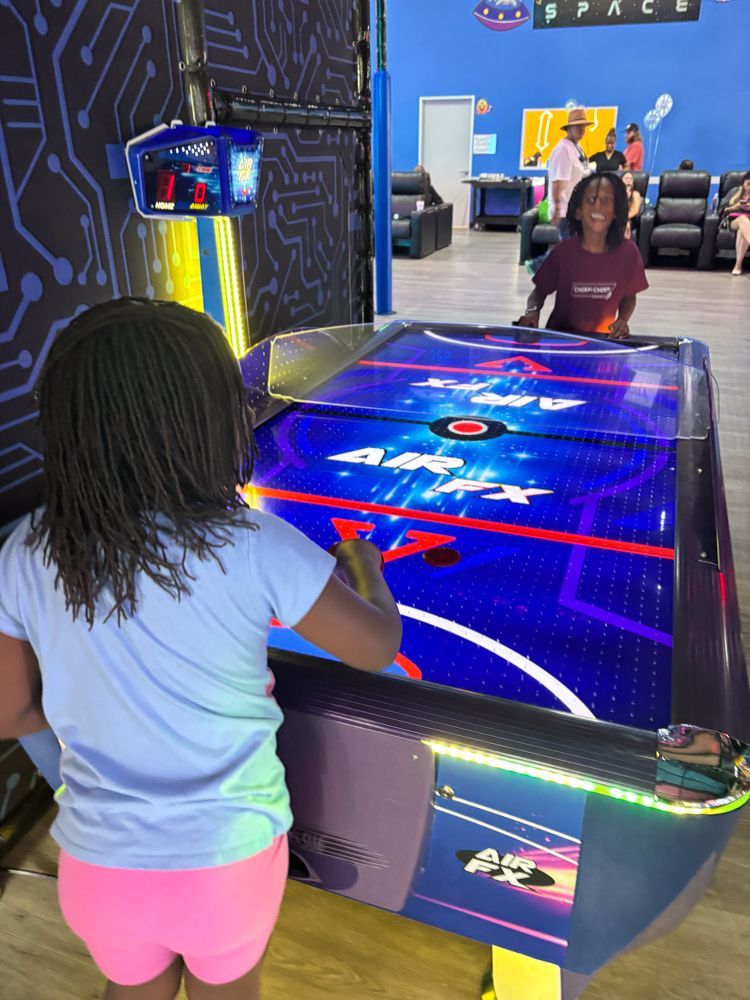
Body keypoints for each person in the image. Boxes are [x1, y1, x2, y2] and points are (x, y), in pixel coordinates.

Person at [0, 298, 402, 1000]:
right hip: (226, 865)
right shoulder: (253, 544)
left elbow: (11, 713)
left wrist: (94, 710)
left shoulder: (26, 549)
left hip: (99, 869)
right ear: (208, 421)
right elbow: (373, 648)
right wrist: (364, 565)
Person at [514, 173, 649, 340]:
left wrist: (622, 320)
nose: (597, 206)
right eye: (591, 200)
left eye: (606, 201)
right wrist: (532, 312)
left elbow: (629, 296)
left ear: (616, 212)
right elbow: (539, 292)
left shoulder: (629, 253)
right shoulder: (563, 252)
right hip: (560, 340)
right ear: (578, 211)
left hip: (602, 343)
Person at [546, 107, 594, 226]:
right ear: (569, 128)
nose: (582, 129)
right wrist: (557, 211)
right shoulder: (563, 149)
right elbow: (558, 183)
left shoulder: (577, 147)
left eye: (583, 126)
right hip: (564, 212)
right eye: (578, 126)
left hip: (575, 210)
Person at [720, 170, 750, 275]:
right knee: (742, 218)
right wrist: (734, 207)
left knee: (743, 230)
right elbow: (722, 209)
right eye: (748, 184)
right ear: (743, 183)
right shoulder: (734, 192)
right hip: (733, 220)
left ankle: (738, 265)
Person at [622, 171, 642, 240]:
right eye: (626, 178)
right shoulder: (615, 193)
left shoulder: (635, 194)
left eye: (631, 179)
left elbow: (634, 210)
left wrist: (624, 219)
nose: (629, 180)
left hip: (630, 219)